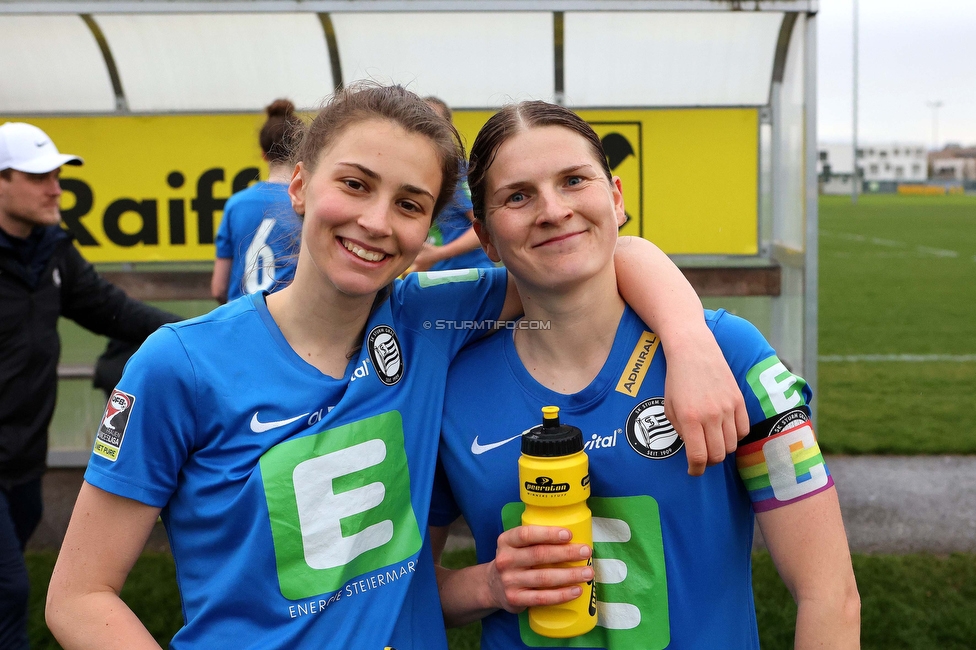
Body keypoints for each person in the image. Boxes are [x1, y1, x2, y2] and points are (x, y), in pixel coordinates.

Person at [45, 85, 745, 650]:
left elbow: (590, 253)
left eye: (410, 204)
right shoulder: (182, 363)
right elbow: (78, 598)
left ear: (429, 231)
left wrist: (689, 342)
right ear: (299, 186)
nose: (377, 222)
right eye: (355, 185)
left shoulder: (427, 320)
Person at [430, 102, 861, 649]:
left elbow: (829, 594)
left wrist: (686, 342)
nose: (553, 210)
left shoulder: (729, 353)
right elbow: (405, 586)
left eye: (573, 181)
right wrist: (489, 584)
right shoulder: (452, 388)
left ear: (615, 197)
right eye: (518, 196)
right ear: (485, 236)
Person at [0, 121, 179, 650]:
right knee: (9, 590)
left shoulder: (50, 252)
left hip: (23, 459)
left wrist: (203, 336)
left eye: (56, 174)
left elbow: (111, 310)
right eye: (39, 177)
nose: (55, 187)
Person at [212, 99, 303, 303]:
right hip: (289, 324)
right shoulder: (307, 203)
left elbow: (219, 289)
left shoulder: (235, 205)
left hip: (242, 320)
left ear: (264, 155)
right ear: (302, 152)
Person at [408, 96, 494, 272]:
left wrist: (437, 255)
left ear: (449, 130)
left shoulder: (459, 173)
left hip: (470, 275)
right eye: (419, 123)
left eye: (433, 124)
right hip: (429, 280)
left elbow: (485, 226)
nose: (426, 130)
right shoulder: (409, 174)